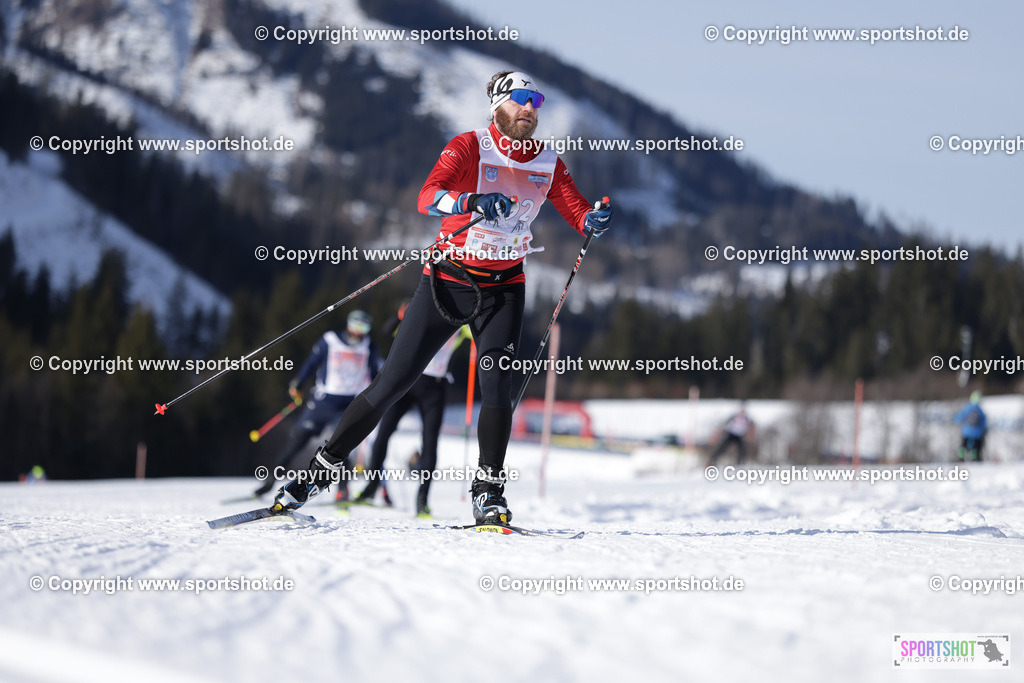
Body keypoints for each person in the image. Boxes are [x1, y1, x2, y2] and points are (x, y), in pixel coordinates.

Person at [272, 70, 613, 525]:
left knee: (497, 384)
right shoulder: (470, 145)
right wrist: (469, 202)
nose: (531, 109)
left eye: (538, 101)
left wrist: (593, 220)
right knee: (393, 382)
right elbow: (427, 196)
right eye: (522, 99)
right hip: (448, 281)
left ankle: (488, 491)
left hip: (504, 288)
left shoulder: (549, 160)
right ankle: (318, 472)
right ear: (497, 105)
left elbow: (576, 208)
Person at [354, 302, 473, 517]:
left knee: (429, 443)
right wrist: (400, 315)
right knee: (382, 435)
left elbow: (476, 334)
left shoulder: (461, 317)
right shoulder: (424, 307)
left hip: (434, 388)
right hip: (408, 382)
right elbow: (387, 331)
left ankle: (422, 500)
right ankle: (371, 488)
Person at [253, 310, 383, 497]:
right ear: (348, 324)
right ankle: (269, 482)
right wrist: (298, 382)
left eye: (364, 327)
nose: (358, 331)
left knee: (342, 445)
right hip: (323, 402)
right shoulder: (330, 340)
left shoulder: (369, 345)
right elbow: (311, 362)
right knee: (297, 441)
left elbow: (373, 373)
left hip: (349, 403)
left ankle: (342, 490)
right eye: (356, 325)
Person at [953, 390, 987, 461]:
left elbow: (960, 417)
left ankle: (961, 458)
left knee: (964, 445)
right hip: (977, 433)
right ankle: (975, 458)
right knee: (976, 446)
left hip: (966, 431)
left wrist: (954, 418)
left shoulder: (967, 408)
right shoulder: (979, 410)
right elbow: (983, 422)